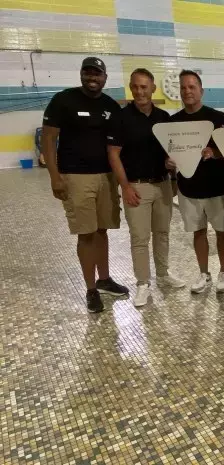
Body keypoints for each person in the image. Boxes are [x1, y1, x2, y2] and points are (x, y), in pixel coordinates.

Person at [42, 57, 128, 313]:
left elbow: (119, 145)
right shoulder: (64, 100)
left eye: (97, 73)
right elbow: (48, 139)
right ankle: (91, 289)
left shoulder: (111, 105)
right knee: (86, 233)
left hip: (106, 177)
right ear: (81, 74)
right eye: (88, 72)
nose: (93, 77)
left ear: (105, 77)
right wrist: (54, 176)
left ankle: (104, 279)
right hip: (76, 177)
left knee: (102, 230)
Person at [107, 68, 185, 307]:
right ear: (131, 88)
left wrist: (172, 180)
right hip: (136, 187)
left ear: (153, 88)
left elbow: (171, 153)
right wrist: (125, 187)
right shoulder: (120, 118)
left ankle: (163, 273)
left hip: (161, 184)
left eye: (144, 87)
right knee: (140, 238)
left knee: (162, 233)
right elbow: (113, 154)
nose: (140, 91)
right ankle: (142, 283)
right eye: (136, 87)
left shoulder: (163, 117)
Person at [165, 70, 224, 294]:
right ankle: (204, 274)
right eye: (183, 87)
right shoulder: (173, 122)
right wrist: (171, 166)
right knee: (198, 232)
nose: (187, 91)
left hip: (217, 188)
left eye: (192, 87)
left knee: (222, 231)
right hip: (189, 189)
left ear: (201, 91)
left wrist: (215, 152)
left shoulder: (218, 118)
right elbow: (170, 154)